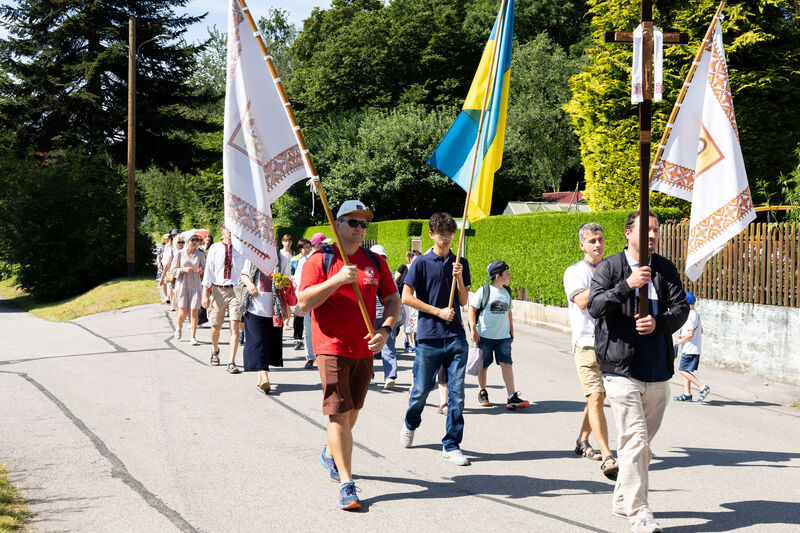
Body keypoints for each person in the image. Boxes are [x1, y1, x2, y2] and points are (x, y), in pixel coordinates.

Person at [588, 210, 689, 533]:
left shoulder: (665, 268)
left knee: (641, 444)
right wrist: (626, 286)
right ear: (627, 233)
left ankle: (621, 498)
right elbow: (595, 306)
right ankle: (639, 510)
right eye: (645, 230)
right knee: (635, 439)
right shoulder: (611, 267)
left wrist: (659, 323)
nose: (651, 236)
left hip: (658, 369)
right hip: (620, 369)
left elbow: (681, 309)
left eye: (655, 230)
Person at [299, 200, 399, 511]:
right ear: (337, 224)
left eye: (363, 223)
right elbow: (303, 302)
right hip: (331, 346)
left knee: (354, 409)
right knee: (338, 413)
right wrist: (337, 280)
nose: (359, 229)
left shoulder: (374, 261)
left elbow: (393, 299)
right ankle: (346, 483)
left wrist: (385, 331)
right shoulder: (321, 259)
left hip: (365, 346)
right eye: (353, 222)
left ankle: (331, 450)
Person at [400, 212, 471, 466]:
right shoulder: (420, 263)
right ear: (432, 234)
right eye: (442, 234)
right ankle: (410, 422)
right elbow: (406, 298)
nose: (447, 238)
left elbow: (463, 301)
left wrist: (460, 277)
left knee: (457, 393)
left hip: (456, 337)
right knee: (420, 391)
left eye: (450, 233)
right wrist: (437, 311)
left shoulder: (459, 261)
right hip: (429, 336)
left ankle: (451, 443)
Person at [563, 222, 619, 480]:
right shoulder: (574, 272)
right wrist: (612, 286)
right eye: (592, 241)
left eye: (600, 239)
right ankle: (608, 455)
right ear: (582, 245)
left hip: (611, 343)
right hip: (585, 343)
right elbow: (583, 301)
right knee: (596, 397)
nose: (597, 245)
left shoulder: (614, 269)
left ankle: (582, 440)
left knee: (598, 397)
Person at [469, 260, 530, 410]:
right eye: (507, 274)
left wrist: (511, 331)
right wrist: (473, 330)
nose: (509, 276)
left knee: (507, 364)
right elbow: (472, 309)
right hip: (484, 336)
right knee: (483, 366)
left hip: (503, 337)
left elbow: (509, 312)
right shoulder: (484, 291)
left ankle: (511, 397)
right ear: (498, 276)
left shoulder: (507, 291)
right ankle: (482, 392)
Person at [239, 250, 291, 393]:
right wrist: (250, 285)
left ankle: (260, 376)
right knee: (257, 341)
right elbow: (243, 274)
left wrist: (282, 284)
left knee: (268, 343)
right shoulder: (253, 256)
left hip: (274, 308)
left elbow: (288, 280)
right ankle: (265, 376)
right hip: (254, 306)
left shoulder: (281, 259)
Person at [201, 223, 245, 374]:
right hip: (218, 290)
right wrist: (204, 294)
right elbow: (208, 271)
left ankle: (231, 361)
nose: (231, 232)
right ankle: (215, 350)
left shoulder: (241, 248)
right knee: (215, 326)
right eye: (228, 229)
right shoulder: (215, 248)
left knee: (235, 326)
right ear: (222, 231)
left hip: (236, 291)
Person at [369, 244, 403, 390]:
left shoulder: (388, 273)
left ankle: (390, 376)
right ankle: (369, 375)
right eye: (377, 257)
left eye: (382, 257)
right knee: (369, 347)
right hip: (370, 315)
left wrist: (401, 313)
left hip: (388, 316)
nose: (380, 260)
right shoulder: (366, 273)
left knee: (388, 346)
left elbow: (396, 297)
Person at [673, 292, 710, 402]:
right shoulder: (696, 314)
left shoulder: (689, 315)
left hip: (690, 348)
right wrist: (684, 334)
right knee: (686, 371)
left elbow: (690, 334)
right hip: (694, 348)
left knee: (682, 371)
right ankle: (687, 394)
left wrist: (680, 341)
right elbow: (700, 330)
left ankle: (703, 387)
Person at [172, 232, 206, 345]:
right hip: (183, 284)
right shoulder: (179, 254)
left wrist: (201, 270)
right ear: (187, 241)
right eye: (193, 240)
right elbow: (173, 270)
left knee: (194, 310)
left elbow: (205, 268)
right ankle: (179, 326)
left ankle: (193, 337)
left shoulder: (200, 254)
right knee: (183, 310)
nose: (195, 242)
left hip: (196, 284)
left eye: (197, 240)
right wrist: (183, 270)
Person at [291, 239, 311, 352]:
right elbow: (292, 273)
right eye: (305, 247)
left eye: (309, 247)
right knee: (298, 316)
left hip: (307, 291)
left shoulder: (312, 258)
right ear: (300, 249)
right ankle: (297, 339)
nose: (308, 249)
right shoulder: (295, 259)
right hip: (298, 291)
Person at [156, 233, 171, 303]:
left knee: (169, 281)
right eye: (165, 239)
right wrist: (158, 264)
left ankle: (169, 296)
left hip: (169, 266)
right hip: (162, 266)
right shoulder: (162, 247)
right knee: (164, 282)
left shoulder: (171, 246)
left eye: (168, 238)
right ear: (164, 240)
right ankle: (166, 296)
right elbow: (158, 256)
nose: (167, 240)